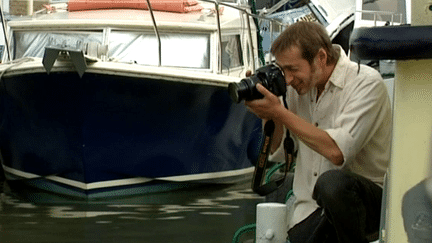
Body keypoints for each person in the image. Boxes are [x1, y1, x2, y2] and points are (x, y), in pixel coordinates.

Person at [244, 21, 392, 243]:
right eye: (283, 70)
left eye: (293, 69)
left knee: (331, 183)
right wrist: (269, 113)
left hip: (366, 207)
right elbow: (282, 152)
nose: (288, 79)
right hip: (310, 210)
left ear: (321, 58)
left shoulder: (366, 83)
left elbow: (336, 152)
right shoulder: (297, 89)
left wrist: (280, 112)